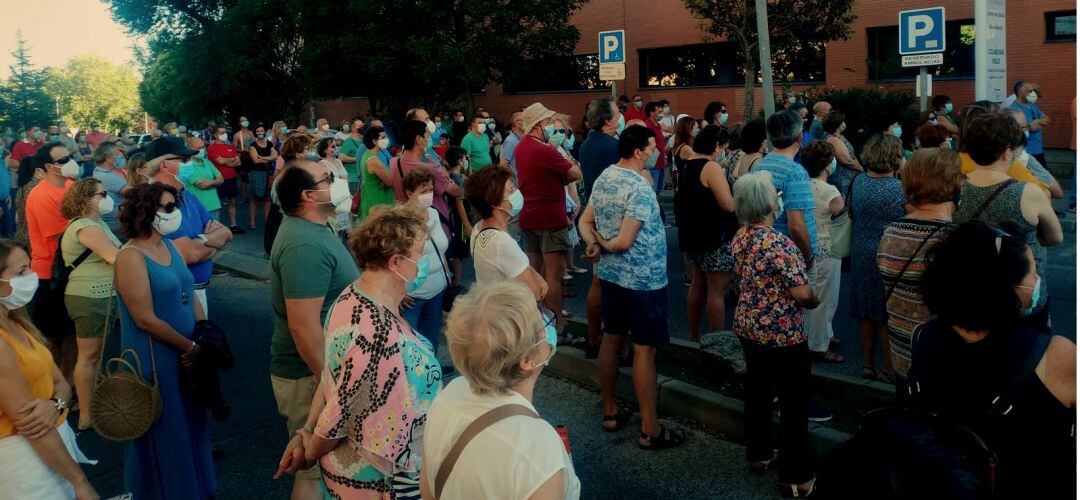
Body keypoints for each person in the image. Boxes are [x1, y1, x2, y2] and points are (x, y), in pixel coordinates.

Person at [274, 205, 440, 498]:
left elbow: (331, 376)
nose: (425, 261)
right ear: (396, 262)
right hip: (381, 477)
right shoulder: (377, 335)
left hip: (363, 466)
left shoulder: (351, 297)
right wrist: (309, 448)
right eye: (420, 253)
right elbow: (342, 413)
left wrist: (306, 430)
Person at [909, 219, 1075, 498]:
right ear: (1007, 288)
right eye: (1032, 272)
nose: (1036, 281)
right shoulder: (1057, 354)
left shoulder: (924, 337)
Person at [421, 281, 581, 499]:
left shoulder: (448, 396)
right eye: (543, 323)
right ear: (526, 359)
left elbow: (428, 492)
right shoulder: (538, 449)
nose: (548, 325)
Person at [578, 124, 683, 450]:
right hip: (644, 281)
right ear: (638, 151)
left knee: (611, 339)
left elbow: (585, 220)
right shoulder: (639, 188)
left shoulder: (606, 176)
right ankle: (650, 428)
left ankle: (610, 410)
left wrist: (594, 244)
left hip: (611, 277)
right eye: (652, 147)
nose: (656, 152)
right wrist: (605, 244)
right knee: (644, 350)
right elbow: (623, 242)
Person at [114, 182, 213, 498]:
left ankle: (194, 488)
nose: (174, 213)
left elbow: (188, 291)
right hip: (157, 358)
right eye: (168, 207)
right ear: (146, 211)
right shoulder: (130, 256)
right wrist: (190, 347)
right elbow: (144, 318)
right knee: (166, 429)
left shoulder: (169, 246)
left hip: (186, 353)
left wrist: (203, 334)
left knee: (190, 422)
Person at [268, 161, 360, 499]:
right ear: (309, 195)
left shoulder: (318, 228)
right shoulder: (303, 245)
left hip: (322, 375)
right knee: (311, 471)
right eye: (330, 179)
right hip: (309, 378)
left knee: (334, 467)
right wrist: (333, 385)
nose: (337, 183)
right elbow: (303, 327)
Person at [730, 170, 819, 497]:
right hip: (782, 334)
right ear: (770, 203)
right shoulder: (780, 244)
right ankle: (796, 476)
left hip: (748, 325)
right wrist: (814, 297)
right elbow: (801, 294)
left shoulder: (741, 235)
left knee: (758, 390)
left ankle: (759, 453)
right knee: (795, 403)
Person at [0, 240, 98, 500]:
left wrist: (55, 404)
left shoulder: (18, 323)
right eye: (21, 272)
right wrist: (80, 481)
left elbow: (60, 381)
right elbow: (30, 424)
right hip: (24, 463)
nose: (31, 276)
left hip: (54, 449)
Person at [953, 113, 1062, 332]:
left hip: (972, 290)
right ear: (1006, 152)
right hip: (1022, 293)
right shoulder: (1027, 192)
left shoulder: (955, 187)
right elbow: (1054, 238)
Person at [875, 148, 962, 388]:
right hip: (947, 361)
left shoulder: (891, 233)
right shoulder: (957, 241)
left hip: (903, 354)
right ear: (954, 184)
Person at [144, 138, 232, 318]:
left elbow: (226, 233)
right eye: (183, 160)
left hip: (197, 288)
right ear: (164, 165)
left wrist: (200, 243)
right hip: (176, 294)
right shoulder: (151, 202)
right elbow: (188, 255)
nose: (189, 164)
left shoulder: (187, 195)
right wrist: (209, 239)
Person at [516, 103, 583, 338]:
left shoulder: (521, 147)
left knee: (535, 273)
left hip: (529, 216)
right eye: (547, 124)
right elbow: (576, 173)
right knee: (554, 277)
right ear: (539, 125)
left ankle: (537, 321)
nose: (550, 128)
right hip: (550, 219)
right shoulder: (546, 151)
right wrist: (563, 173)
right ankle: (557, 326)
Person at [59, 178, 121, 431]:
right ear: (86, 199)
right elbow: (115, 256)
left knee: (93, 355)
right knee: (89, 356)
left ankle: (89, 405)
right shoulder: (85, 226)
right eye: (101, 194)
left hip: (101, 295)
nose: (106, 198)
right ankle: (86, 415)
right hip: (90, 296)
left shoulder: (97, 223)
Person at [847, 133, 909, 382]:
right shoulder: (899, 189)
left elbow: (851, 213)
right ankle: (887, 368)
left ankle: (868, 364)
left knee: (865, 310)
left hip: (861, 251)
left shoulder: (858, 181)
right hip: (890, 253)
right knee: (886, 312)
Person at [676, 125, 736, 342]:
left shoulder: (687, 163)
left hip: (692, 234)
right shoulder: (711, 167)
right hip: (713, 235)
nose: (724, 153)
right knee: (717, 291)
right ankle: (718, 340)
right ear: (716, 145)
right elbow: (727, 204)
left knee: (697, 285)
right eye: (724, 148)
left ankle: (694, 333)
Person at [26, 143, 79, 377]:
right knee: (53, 337)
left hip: (72, 270)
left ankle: (71, 382)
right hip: (51, 274)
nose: (70, 161)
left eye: (70, 156)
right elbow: (65, 236)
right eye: (63, 159)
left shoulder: (71, 186)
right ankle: (54, 385)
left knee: (73, 333)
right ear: (48, 166)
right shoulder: (40, 195)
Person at [465, 166, 548, 299]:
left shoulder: (478, 228)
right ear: (495, 203)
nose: (517, 192)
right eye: (511, 190)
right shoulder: (500, 242)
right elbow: (536, 293)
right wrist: (540, 282)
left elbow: (517, 265)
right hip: (509, 311)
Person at [800, 141, 845, 363]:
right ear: (827, 164)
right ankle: (819, 345)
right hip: (828, 248)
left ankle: (817, 335)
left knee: (810, 295)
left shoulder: (801, 185)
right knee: (826, 299)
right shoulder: (830, 192)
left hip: (806, 246)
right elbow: (842, 213)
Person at [755, 110, 816, 267]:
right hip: (791, 258)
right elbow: (796, 225)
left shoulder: (760, 165)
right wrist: (808, 257)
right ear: (800, 137)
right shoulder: (795, 172)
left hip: (767, 250)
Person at [398, 169, 450, 352]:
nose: (428, 195)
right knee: (411, 345)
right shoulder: (400, 221)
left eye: (430, 190)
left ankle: (434, 371)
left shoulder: (434, 214)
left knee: (431, 339)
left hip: (436, 290)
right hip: (413, 296)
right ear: (409, 193)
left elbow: (440, 249)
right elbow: (390, 259)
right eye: (423, 191)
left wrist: (446, 272)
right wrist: (399, 291)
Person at [390, 120, 462, 239]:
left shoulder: (394, 163)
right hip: (431, 226)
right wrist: (445, 174)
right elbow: (455, 191)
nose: (429, 139)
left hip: (406, 225)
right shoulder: (427, 168)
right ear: (419, 139)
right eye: (428, 135)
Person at [206, 126, 244, 233]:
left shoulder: (230, 147)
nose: (224, 134)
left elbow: (238, 162)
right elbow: (220, 161)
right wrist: (232, 160)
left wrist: (226, 160)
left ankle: (233, 225)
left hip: (231, 178)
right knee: (218, 203)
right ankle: (216, 228)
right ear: (215, 135)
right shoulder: (211, 148)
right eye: (222, 132)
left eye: (225, 132)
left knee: (232, 201)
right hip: (219, 179)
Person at [314, 137, 352, 236]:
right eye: (333, 146)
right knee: (336, 232)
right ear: (325, 150)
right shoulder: (322, 164)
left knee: (346, 232)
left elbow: (344, 177)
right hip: (333, 201)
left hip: (344, 199)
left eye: (337, 146)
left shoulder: (338, 161)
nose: (336, 149)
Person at [89, 141, 129, 234]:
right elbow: (135, 193)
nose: (120, 157)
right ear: (108, 158)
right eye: (117, 154)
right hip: (116, 224)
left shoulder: (98, 172)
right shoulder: (108, 177)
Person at [180, 137, 223, 221]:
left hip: (214, 204)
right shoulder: (187, 165)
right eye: (199, 148)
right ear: (189, 149)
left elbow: (221, 179)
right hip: (198, 207)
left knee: (216, 231)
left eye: (203, 147)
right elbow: (202, 185)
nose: (202, 150)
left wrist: (210, 183)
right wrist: (215, 183)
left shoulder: (206, 161)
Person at [357, 125, 394, 223]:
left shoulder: (367, 155)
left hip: (371, 195)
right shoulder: (373, 160)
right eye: (383, 138)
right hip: (377, 199)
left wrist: (385, 180)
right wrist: (386, 180)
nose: (386, 140)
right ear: (374, 141)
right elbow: (390, 181)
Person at [823, 111, 863, 196]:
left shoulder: (837, 136)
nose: (844, 123)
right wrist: (861, 169)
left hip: (847, 178)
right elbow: (846, 161)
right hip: (842, 179)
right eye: (842, 121)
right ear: (837, 124)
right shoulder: (833, 139)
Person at [1011, 82, 1050, 167]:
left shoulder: (1031, 105)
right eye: (1030, 91)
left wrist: (1037, 122)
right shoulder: (1016, 109)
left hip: (1038, 148)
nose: (1033, 94)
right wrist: (1040, 121)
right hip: (1028, 151)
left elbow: (1047, 119)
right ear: (1020, 93)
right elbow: (1032, 128)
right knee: (1041, 177)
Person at [246, 126, 277, 231]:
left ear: (265, 132)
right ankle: (252, 222)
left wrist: (263, 158)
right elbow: (255, 160)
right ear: (255, 133)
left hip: (268, 173)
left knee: (267, 198)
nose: (260, 133)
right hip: (257, 173)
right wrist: (269, 158)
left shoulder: (269, 144)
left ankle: (267, 221)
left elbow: (275, 156)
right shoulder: (252, 146)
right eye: (258, 131)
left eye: (262, 131)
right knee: (255, 197)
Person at [643, 102, 669, 196]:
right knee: (652, 192)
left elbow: (661, 143)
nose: (661, 114)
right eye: (659, 111)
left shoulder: (658, 125)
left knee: (658, 190)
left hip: (661, 163)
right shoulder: (647, 126)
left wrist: (665, 157)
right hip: (653, 164)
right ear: (652, 113)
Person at [232, 116, 256, 203]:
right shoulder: (237, 135)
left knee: (254, 175)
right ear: (239, 123)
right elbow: (234, 148)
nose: (245, 121)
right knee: (244, 177)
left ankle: (255, 194)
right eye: (243, 120)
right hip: (243, 157)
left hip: (252, 156)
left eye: (246, 120)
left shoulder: (251, 133)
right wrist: (242, 151)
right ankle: (245, 196)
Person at [338, 118, 365, 193]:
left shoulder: (364, 141)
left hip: (364, 177)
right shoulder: (348, 142)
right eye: (359, 126)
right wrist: (357, 158)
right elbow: (341, 157)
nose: (362, 127)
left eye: (363, 125)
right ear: (353, 128)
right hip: (353, 178)